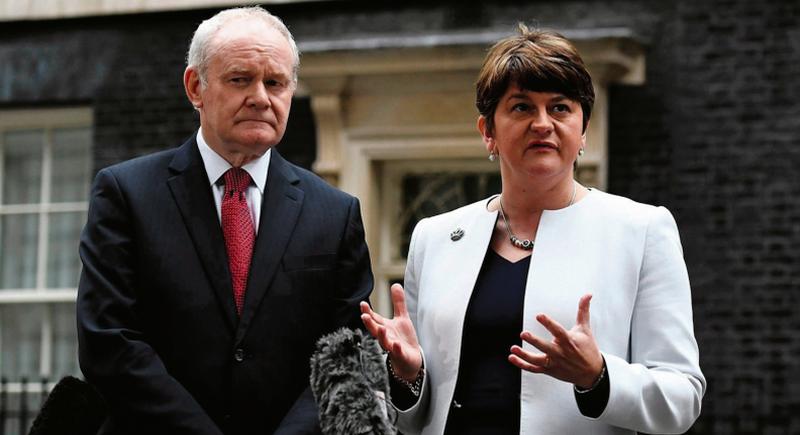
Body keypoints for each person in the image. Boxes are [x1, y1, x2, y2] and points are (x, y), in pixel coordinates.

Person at [360, 25, 705, 435]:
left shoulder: (642, 230)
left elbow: (682, 398)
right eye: (521, 107)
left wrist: (598, 375)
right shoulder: (434, 238)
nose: (542, 123)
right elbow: (414, 417)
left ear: (583, 131)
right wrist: (407, 375)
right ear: (488, 131)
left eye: (560, 108)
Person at [76, 7, 373, 434]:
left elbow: (347, 357)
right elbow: (110, 343)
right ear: (196, 87)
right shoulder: (126, 194)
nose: (260, 97)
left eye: (275, 82)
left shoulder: (336, 212)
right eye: (240, 79)